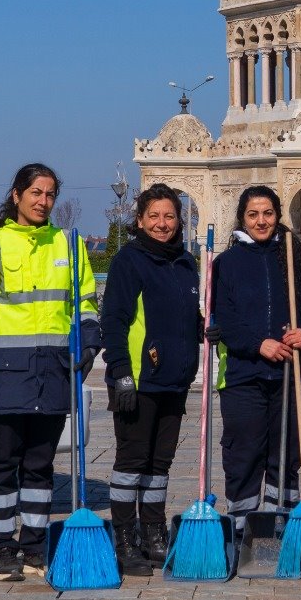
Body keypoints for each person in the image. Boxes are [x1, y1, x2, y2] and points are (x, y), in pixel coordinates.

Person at [0, 163, 100, 582]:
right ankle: (1, 546)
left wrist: (90, 340)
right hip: (5, 376)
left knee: (40, 464)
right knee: (2, 462)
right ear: (16, 195)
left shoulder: (70, 245)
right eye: (36, 192)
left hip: (53, 374)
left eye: (50, 194)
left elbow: (86, 302)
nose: (43, 201)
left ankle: (35, 545)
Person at [206, 185, 301, 564]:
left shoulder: (294, 258)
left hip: (291, 376)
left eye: (268, 214)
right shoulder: (225, 265)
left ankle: (281, 530)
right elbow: (221, 319)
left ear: (278, 216)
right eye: (253, 214)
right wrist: (257, 343)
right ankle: (243, 532)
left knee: (287, 456)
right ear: (242, 218)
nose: (261, 221)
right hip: (244, 376)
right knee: (243, 455)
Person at [99, 185, 202, 575]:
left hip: (174, 380)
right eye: (154, 216)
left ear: (180, 221)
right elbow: (114, 321)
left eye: (169, 217)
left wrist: (203, 328)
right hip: (138, 380)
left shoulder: (185, 263)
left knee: (161, 463)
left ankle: (153, 532)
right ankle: (125, 537)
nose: (162, 224)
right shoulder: (130, 260)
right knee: (132, 461)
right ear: (140, 220)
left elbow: (183, 316)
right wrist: (121, 372)